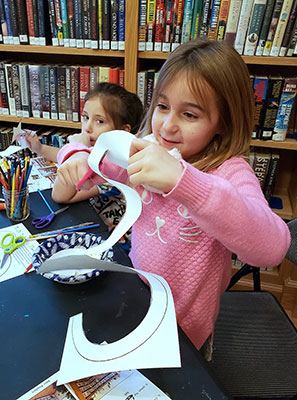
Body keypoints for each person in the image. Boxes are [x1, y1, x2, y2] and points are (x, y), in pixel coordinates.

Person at [52, 39, 291, 358]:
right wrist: (77, 154)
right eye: (162, 107)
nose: (167, 125)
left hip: (185, 333)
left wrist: (184, 181)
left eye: (189, 114)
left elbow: (272, 247)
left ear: (223, 121)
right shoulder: (146, 148)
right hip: (137, 304)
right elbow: (94, 156)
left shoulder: (229, 172)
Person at [28, 82, 143, 250]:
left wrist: (77, 150)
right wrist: (40, 149)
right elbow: (64, 156)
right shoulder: (100, 151)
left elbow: (61, 195)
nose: (87, 128)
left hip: (115, 247)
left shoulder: (117, 167)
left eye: (100, 121)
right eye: (86, 117)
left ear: (123, 132)